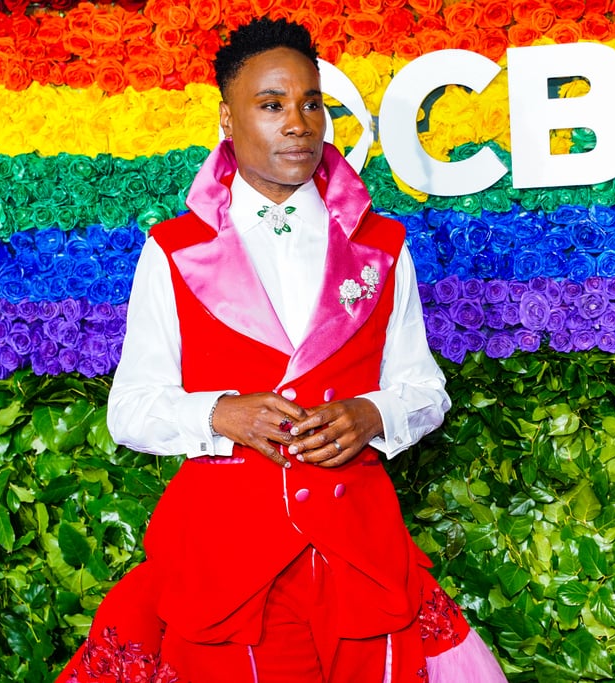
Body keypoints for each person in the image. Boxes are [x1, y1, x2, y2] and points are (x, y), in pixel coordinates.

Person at [55, 17, 507, 683]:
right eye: (271, 105)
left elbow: (423, 389)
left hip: (358, 555)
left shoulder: (381, 245)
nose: (298, 122)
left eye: (310, 103)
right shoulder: (175, 250)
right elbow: (130, 408)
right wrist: (218, 414)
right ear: (227, 119)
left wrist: (372, 415)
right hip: (226, 567)